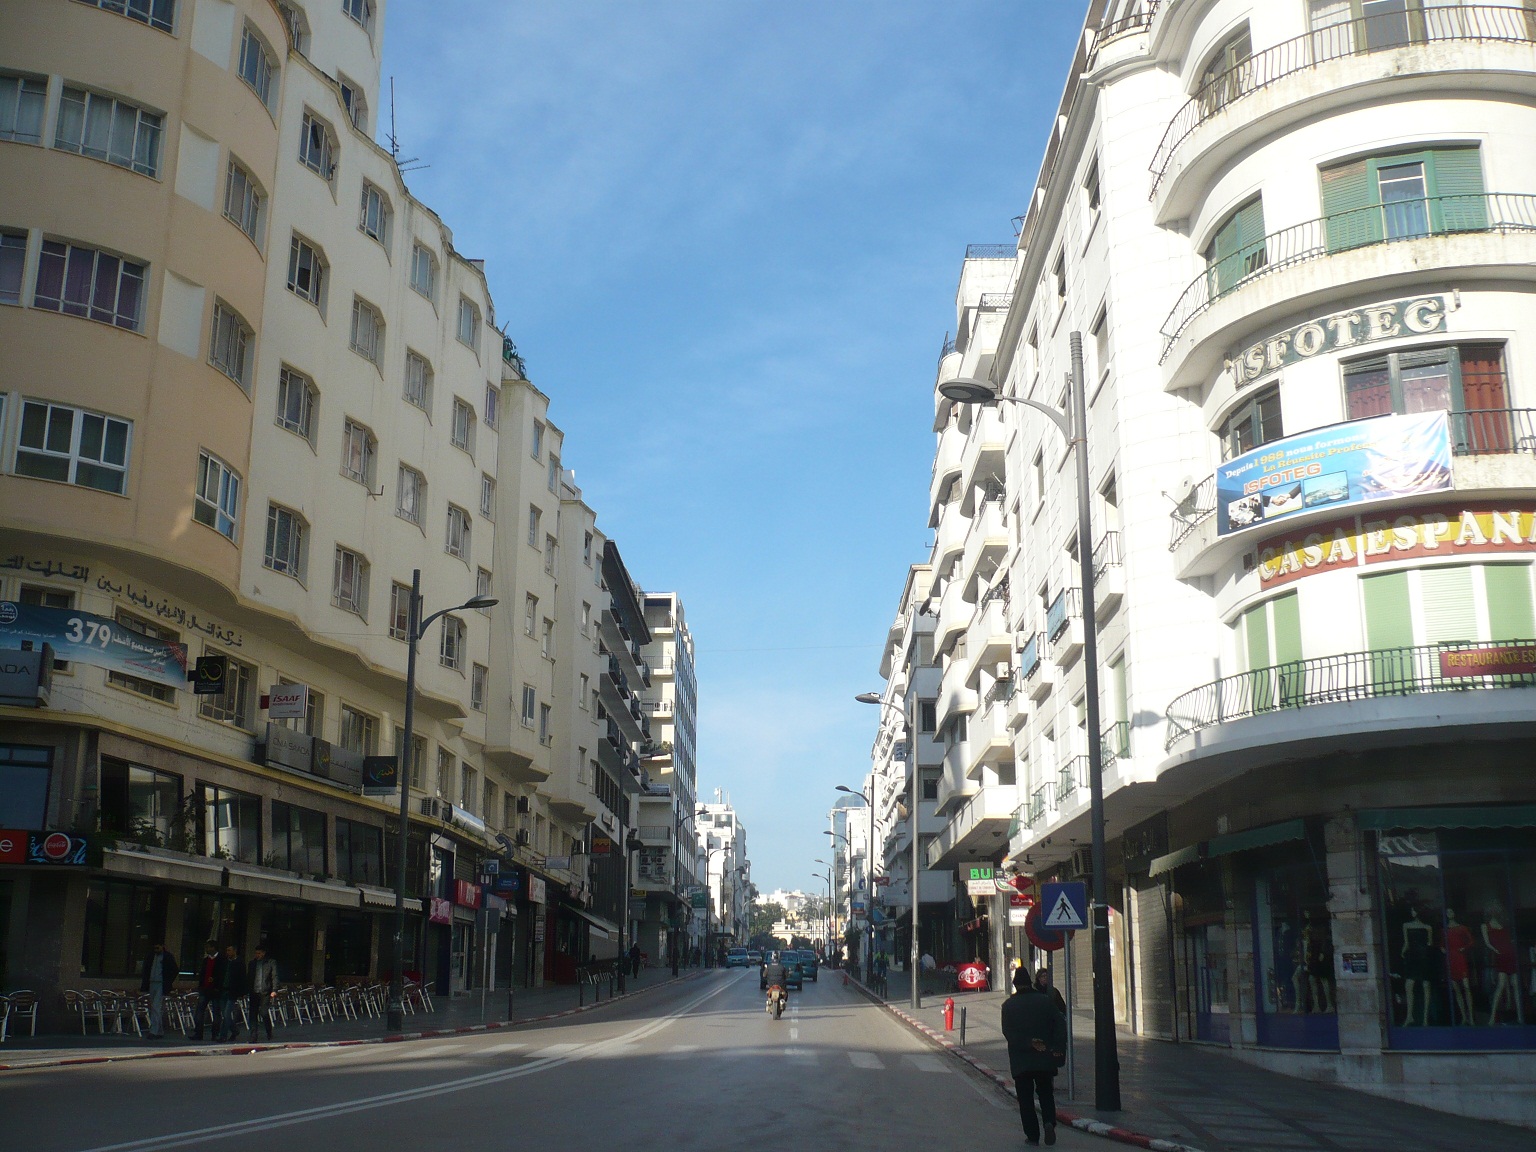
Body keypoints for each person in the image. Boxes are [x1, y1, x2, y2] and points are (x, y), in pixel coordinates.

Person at [1001, 966, 1067, 1147]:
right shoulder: (1045, 1001)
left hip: (1021, 1062)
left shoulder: (1008, 1006)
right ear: (1030, 982)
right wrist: (1056, 1048)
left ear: (1015, 985)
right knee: (1046, 1093)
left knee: (1026, 1099)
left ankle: (1032, 1135)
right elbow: (1060, 1023)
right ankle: (1048, 1122)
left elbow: (1009, 1033)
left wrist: (1029, 1043)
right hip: (1044, 1058)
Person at [138, 941, 178, 1039]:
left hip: (161, 983)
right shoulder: (151, 956)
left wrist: (168, 981)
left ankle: (154, 1030)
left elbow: (174, 969)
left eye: (158, 948)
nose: (156, 950)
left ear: (162, 947)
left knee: (156, 1006)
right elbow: (146, 969)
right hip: (152, 982)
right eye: (155, 948)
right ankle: (159, 1030)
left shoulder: (167, 957)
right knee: (155, 1007)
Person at [212, 943, 248, 1042]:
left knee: (227, 1014)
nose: (228, 952)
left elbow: (242, 978)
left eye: (230, 950)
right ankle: (235, 1030)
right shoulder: (224, 962)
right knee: (224, 1014)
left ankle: (223, 1036)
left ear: (234, 951)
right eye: (227, 950)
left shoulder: (239, 962)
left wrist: (242, 992)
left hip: (232, 991)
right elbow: (218, 974)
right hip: (222, 990)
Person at [246, 945, 279, 1042]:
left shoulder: (270, 963)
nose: (257, 955)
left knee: (264, 1012)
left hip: (265, 992)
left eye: (259, 953)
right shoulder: (252, 964)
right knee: (253, 1014)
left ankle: (269, 1031)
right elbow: (249, 977)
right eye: (256, 953)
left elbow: (274, 976)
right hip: (254, 991)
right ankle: (253, 1036)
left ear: (263, 953)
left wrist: (274, 990)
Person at [192, 941, 219, 1042]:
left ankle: (215, 1034)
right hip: (204, 989)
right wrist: (201, 986)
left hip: (215, 990)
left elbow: (223, 974)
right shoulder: (205, 960)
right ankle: (198, 1033)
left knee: (216, 1012)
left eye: (208, 947)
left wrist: (216, 981)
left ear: (213, 948)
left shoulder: (221, 960)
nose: (206, 949)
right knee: (199, 1011)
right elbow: (202, 974)